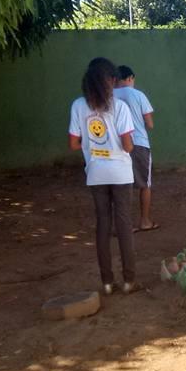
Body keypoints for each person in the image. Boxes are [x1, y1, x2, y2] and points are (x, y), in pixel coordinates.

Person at [68, 57, 138, 295]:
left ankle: (107, 283)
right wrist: (114, 145)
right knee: (124, 225)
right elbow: (128, 146)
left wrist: (93, 146)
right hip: (120, 172)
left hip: (96, 173)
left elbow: (74, 144)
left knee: (102, 225)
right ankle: (129, 281)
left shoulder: (78, 106)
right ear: (110, 81)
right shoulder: (119, 107)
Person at [113, 65, 158, 232]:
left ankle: (123, 225)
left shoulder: (109, 96)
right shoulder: (138, 95)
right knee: (144, 185)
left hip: (116, 146)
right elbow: (150, 124)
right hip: (139, 144)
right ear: (130, 78)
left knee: (122, 185)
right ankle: (145, 221)